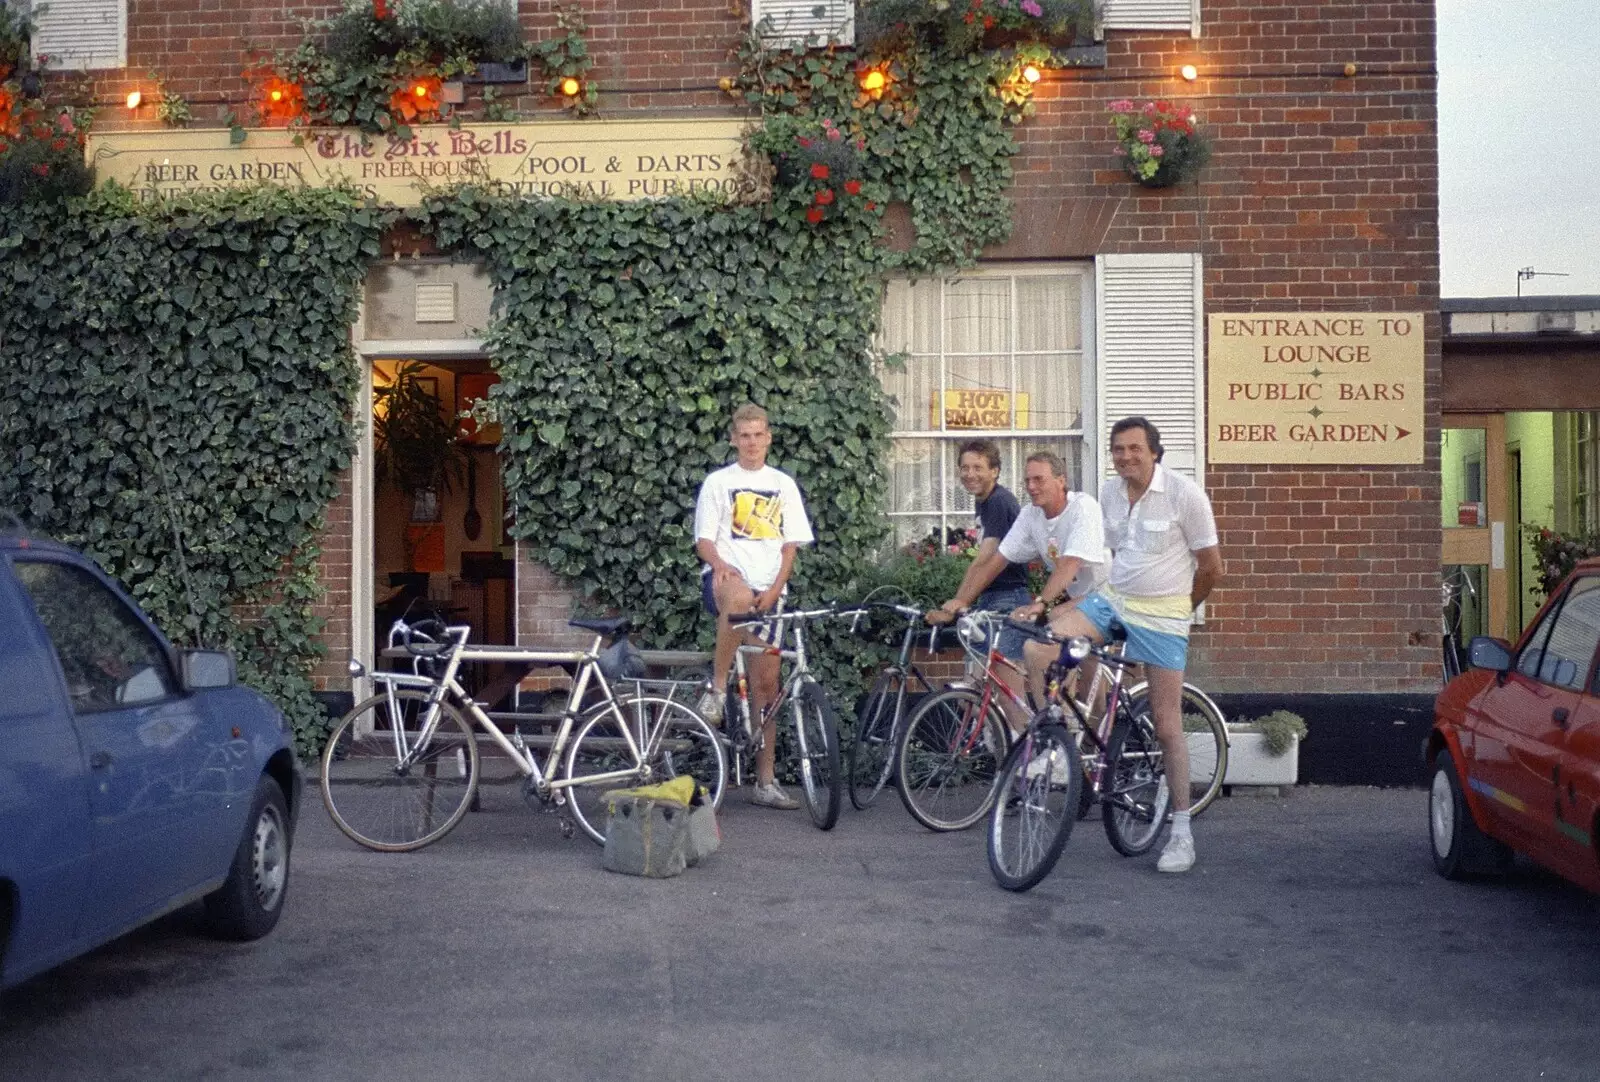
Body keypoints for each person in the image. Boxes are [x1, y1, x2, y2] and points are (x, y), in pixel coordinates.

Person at [1049, 417, 1223, 874]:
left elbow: (1211, 568)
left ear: (1154, 452)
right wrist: (1074, 601)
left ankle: (1181, 833)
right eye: (1118, 449)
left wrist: (1182, 611)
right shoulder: (1108, 493)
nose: (1125, 457)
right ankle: (1064, 734)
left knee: (1167, 726)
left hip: (1165, 612)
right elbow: (1107, 554)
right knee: (1049, 641)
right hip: (1115, 601)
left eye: (1134, 449)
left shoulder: (1185, 495)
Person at [693, 402, 814, 810]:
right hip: (728, 581)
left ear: (769, 438)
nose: (751, 442)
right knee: (739, 594)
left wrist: (777, 588)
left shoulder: (783, 484)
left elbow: (790, 546)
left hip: (771, 589)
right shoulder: (717, 482)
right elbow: (704, 541)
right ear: (733, 439)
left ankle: (765, 780)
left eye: (758, 434)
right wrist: (720, 564)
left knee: (767, 688)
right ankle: (717, 687)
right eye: (744, 435)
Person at [933, 450, 1108, 731]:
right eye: (1027, 480)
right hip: (1071, 598)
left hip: (1105, 594)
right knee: (1073, 666)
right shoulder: (1030, 514)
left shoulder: (1083, 507)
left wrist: (1040, 603)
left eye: (1039, 479)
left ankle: (1070, 735)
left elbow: (1069, 564)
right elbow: (998, 559)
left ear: (1061, 481)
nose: (1031, 487)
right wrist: (961, 600)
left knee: (1054, 641)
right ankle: (1071, 734)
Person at [924, 441, 1030, 703]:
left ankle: (1023, 739)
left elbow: (985, 558)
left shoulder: (998, 502)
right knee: (972, 690)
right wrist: (959, 603)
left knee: (1008, 690)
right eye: (964, 468)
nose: (969, 474)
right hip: (992, 599)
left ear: (994, 470)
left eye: (978, 467)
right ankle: (987, 741)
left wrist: (956, 604)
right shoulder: (985, 501)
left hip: (1008, 599)